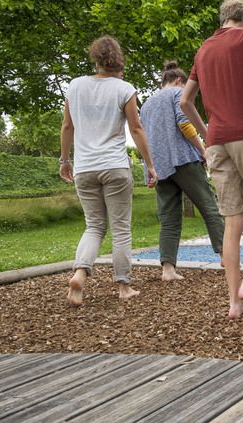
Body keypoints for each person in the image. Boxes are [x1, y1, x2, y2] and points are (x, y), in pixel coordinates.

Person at [181, 0, 243, 318]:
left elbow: (185, 101)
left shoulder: (203, 49)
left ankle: (234, 304)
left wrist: (207, 129)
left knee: (232, 220)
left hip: (216, 142)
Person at [59, 35, 158, 307]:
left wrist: (64, 160)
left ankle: (79, 274)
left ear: (96, 59)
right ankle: (124, 286)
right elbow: (136, 129)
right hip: (114, 166)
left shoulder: (75, 86)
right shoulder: (125, 89)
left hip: (85, 168)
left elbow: (67, 127)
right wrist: (150, 165)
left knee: (94, 226)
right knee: (121, 229)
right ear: (118, 60)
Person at [140, 60, 225, 282]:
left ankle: (168, 269)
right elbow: (185, 125)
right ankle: (226, 256)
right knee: (210, 207)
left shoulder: (147, 104)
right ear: (179, 81)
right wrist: (204, 150)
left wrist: (149, 167)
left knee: (168, 218)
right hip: (183, 160)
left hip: (159, 167)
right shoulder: (178, 93)